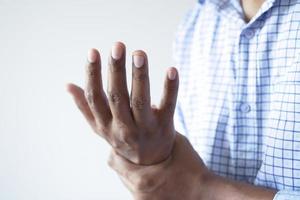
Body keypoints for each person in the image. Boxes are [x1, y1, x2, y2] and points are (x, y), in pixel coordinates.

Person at [67, 0, 300, 199]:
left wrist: (201, 189)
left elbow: (190, 187)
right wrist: (155, 165)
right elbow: (176, 182)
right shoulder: (198, 22)